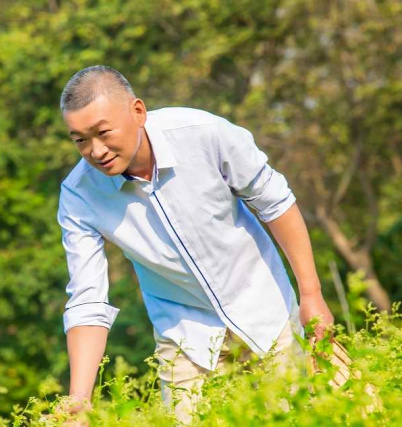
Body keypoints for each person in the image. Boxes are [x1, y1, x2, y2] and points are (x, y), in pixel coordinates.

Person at [54, 65, 335, 425]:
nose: (96, 150)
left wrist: (311, 294)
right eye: (80, 140)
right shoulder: (79, 195)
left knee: (297, 416)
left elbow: (275, 202)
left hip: (265, 306)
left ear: (137, 112)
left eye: (103, 132)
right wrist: (80, 399)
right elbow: (87, 299)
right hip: (183, 332)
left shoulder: (203, 133)